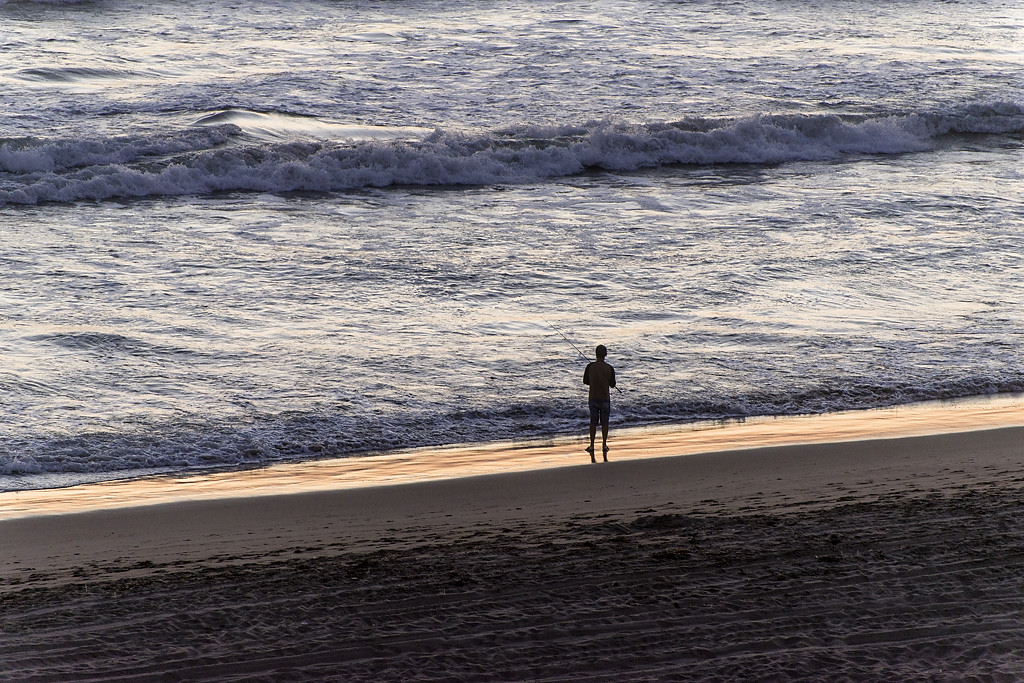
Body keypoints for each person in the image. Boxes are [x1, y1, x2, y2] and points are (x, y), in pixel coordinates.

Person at [583, 344, 616, 463]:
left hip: (593, 397)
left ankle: (591, 445)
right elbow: (612, 384)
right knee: (604, 423)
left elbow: (585, 381)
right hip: (605, 398)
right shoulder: (609, 368)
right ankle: (604, 445)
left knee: (593, 422)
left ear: (596, 354)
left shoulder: (590, 367)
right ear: (605, 354)